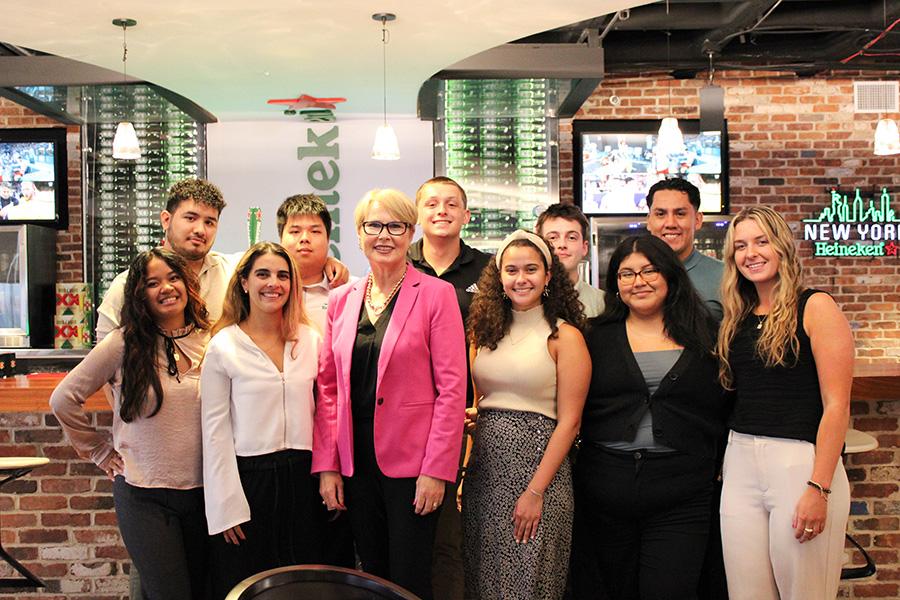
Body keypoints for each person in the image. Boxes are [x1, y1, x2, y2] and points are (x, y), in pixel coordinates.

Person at [314, 188, 466, 600]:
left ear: (410, 232)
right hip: (355, 459)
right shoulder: (341, 300)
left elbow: (452, 389)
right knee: (372, 574)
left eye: (395, 226)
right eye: (373, 226)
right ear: (359, 234)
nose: (384, 235)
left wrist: (437, 470)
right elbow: (328, 390)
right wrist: (328, 465)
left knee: (411, 576)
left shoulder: (436, 294)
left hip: (414, 463)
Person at [573, 235, 727, 600]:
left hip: (682, 491)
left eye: (649, 270)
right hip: (604, 489)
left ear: (670, 276)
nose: (637, 281)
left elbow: (725, 404)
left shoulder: (707, 335)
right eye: (626, 274)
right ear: (615, 284)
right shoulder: (593, 336)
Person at [50, 248, 211, 600]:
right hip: (144, 496)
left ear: (188, 284)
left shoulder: (211, 340)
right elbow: (63, 398)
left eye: (173, 278)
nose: (166, 288)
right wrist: (98, 451)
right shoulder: (123, 342)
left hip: (204, 494)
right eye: (153, 283)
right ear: (140, 295)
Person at [717, 206, 853, 600]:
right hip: (740, 461)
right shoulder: (737, 316)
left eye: (761, 241)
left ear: (782, 247)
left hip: (799, 464)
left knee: (804, 594)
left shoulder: (815, 306)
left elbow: (837, 406)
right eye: (740, 246)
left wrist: (819, 488)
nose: (751, 253)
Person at [463, 229, 590, 600]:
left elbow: (571, 422)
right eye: (511, 270)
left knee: (529, 584)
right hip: (484, 475)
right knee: (483, 582)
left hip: (539, 475)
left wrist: (535, 492)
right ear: (499, 276)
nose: (521, 279)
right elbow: (480, 399)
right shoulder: (483, 332)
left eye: (531, 269)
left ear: (548, 276)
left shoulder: (564, 337)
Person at [200, 242, 323, 598]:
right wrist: (226, 505)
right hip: (249, 481)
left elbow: (329, 413)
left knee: (304, 587)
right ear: (244, 283)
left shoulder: (311, 339)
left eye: (283, 275)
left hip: (306, 479)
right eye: (263, 274)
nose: (274, 283)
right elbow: (214, 430)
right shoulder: (224, 345)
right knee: (248, 585)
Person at [408, 176, 490, 600]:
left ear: (465, 215)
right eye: (432, 203)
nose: (442, 210)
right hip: (410, 414)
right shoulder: (399, 264)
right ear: (417, 215)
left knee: (462, 528)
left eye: (452, 204)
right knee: (418, 527)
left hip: (471, 413)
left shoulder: (488, 269)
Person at [277, 192, 356, 569]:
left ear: (329, 238)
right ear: (281, 238)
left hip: (337, 433)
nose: (304, 238)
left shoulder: (352, 292)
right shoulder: (266, 290)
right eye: (295, 231)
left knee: (333, 546)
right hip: (280, 437)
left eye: (315, 230)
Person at [646, 178, 724, 320]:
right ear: (649, 221)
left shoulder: (726, 276)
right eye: (660, 214)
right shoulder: (631, 276)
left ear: (698, 220)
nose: (670, 223)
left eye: (680, 214)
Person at [535, 202, 605, 317]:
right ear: (539, 246)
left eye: (572, 237)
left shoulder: (602, 304)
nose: (562, 244)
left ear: (584, 247)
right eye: (553, 238)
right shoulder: (526, 302)